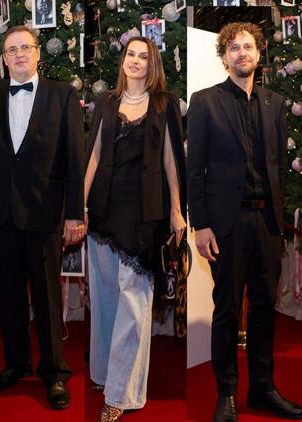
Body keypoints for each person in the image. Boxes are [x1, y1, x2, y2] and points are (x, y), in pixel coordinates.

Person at [188, 22, 302, 422]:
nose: (242, 53)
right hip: (226, 224)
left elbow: (279, 167)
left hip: (267, 223)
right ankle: (226, 394)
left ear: (258, 52)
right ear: (225, 57)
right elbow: (195, 169)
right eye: (234, 47)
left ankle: (263, 390)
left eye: (248, 46)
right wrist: (201, 225)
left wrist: (279, 221)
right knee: (227, 309)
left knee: (264, 309)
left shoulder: (274, 102)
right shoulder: (205, 102)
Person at [0, 25, 85, 410]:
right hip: (2, 213)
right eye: (12, 49)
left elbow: (75, 157)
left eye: (25, 47)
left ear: (37, 53)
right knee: (9, 295)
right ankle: (16, 364)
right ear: (3, 59)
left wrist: (74, 213)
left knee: (47, 297)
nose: (19, 54)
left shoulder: (63, 94)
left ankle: (55, 372)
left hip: (45, 212)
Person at [84, 36, 186, 421]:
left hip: (144, 212)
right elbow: (94, 154)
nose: (136, 61)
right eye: (131, 54)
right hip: (104, 207)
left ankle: (121, 393)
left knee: (134, 301)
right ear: (123, 60)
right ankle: (103, 373)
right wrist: (80, 203)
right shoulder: (106, 102)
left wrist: (176, 210)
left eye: (144, 56)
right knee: (106, 296)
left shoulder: (165, 104)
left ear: (152, 64)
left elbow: (171, 159)